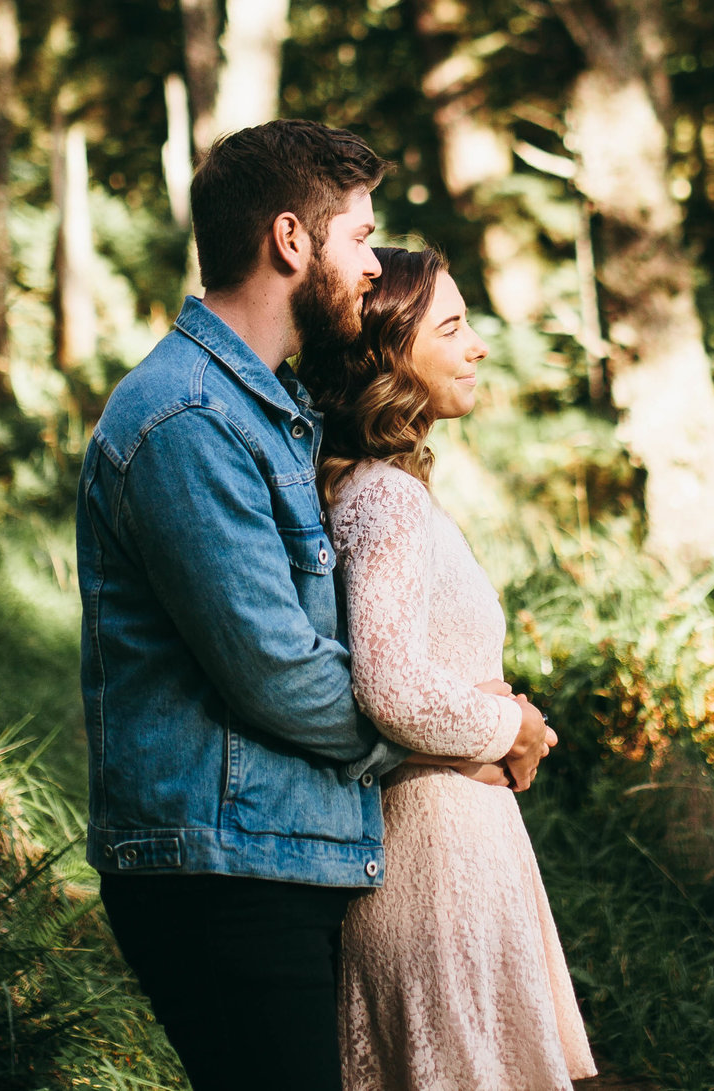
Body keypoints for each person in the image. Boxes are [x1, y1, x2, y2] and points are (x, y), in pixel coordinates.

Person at [75, 121, 553, 1091]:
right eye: (360, 235)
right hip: (217, 873)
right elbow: (279, 672)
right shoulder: (186, 419)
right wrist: (459, 733)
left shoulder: (264, 411)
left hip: (279, 855)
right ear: (292, 240)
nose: (373, 263)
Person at [305, 247, 597, 1090]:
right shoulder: (385, 498)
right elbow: (390, 684)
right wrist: (517, 725)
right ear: (392, 355)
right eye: (452, 326)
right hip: (434, 866)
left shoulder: (376, 486)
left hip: (448, 846)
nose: (476, 346)